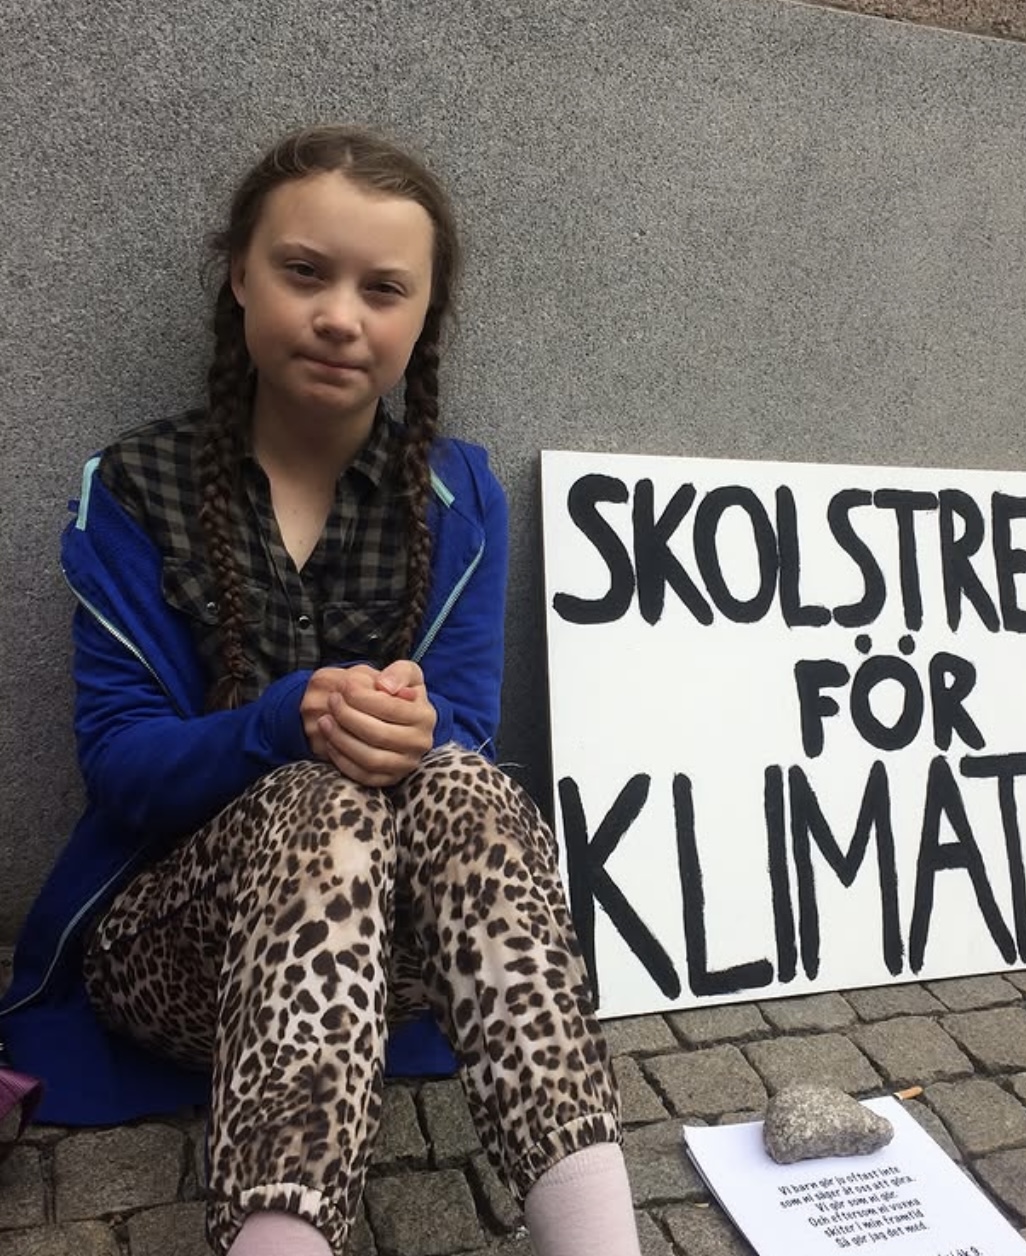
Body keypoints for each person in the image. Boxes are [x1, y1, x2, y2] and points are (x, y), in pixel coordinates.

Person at [0, 126, 639, 1256]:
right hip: (175, 953)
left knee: (464, 782)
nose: (341, 315)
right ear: (239, 276)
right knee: (317, 796)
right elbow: (120, 763)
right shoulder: (136, 488)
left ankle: (594, 1237)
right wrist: (279, 722)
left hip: (386, 966)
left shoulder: (459, 497)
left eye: (382, 289)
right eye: (304, 271)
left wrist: (411, 730)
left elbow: (466, 726)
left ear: (423, 316)